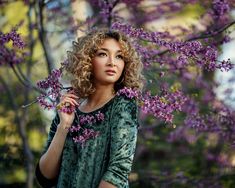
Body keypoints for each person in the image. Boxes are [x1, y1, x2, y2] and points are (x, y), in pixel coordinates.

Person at [35, 28, 145, 188]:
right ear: (87, 60)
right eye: (103, 54)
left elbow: (117, 173)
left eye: (119, 56)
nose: (112, 62)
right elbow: (45, 177)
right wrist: (64, 126)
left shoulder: (123, 105)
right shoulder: (69, 107)